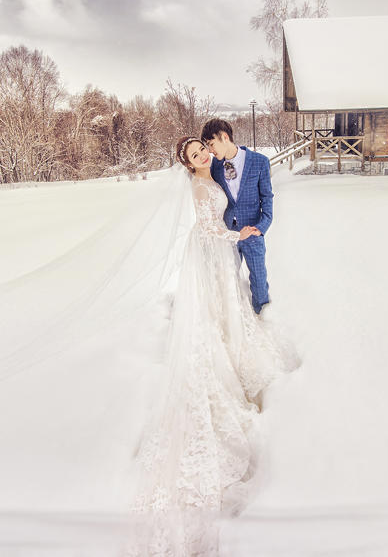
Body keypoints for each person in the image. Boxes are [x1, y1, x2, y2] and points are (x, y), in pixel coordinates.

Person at [125, 136, 301, 557]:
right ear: (188, 166)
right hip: (209, 252)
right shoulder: (202, 185)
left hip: (216, 253)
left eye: (202, 148)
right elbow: (208, 227)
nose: (202, 154)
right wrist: (236, 233)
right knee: (214, 310)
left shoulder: (216, 172)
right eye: (194, 154)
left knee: (226, 303)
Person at [200, 119, 273, 316]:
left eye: (211, 144)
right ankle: (234, 317)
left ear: (224, 137)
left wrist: (262, 226)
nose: (211, 150)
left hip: (252, 231)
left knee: (258, 277)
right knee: (228, 278)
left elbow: (267, 197)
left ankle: (263, 315)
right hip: (228, 234)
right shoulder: (214, 167)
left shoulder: (260, 162)